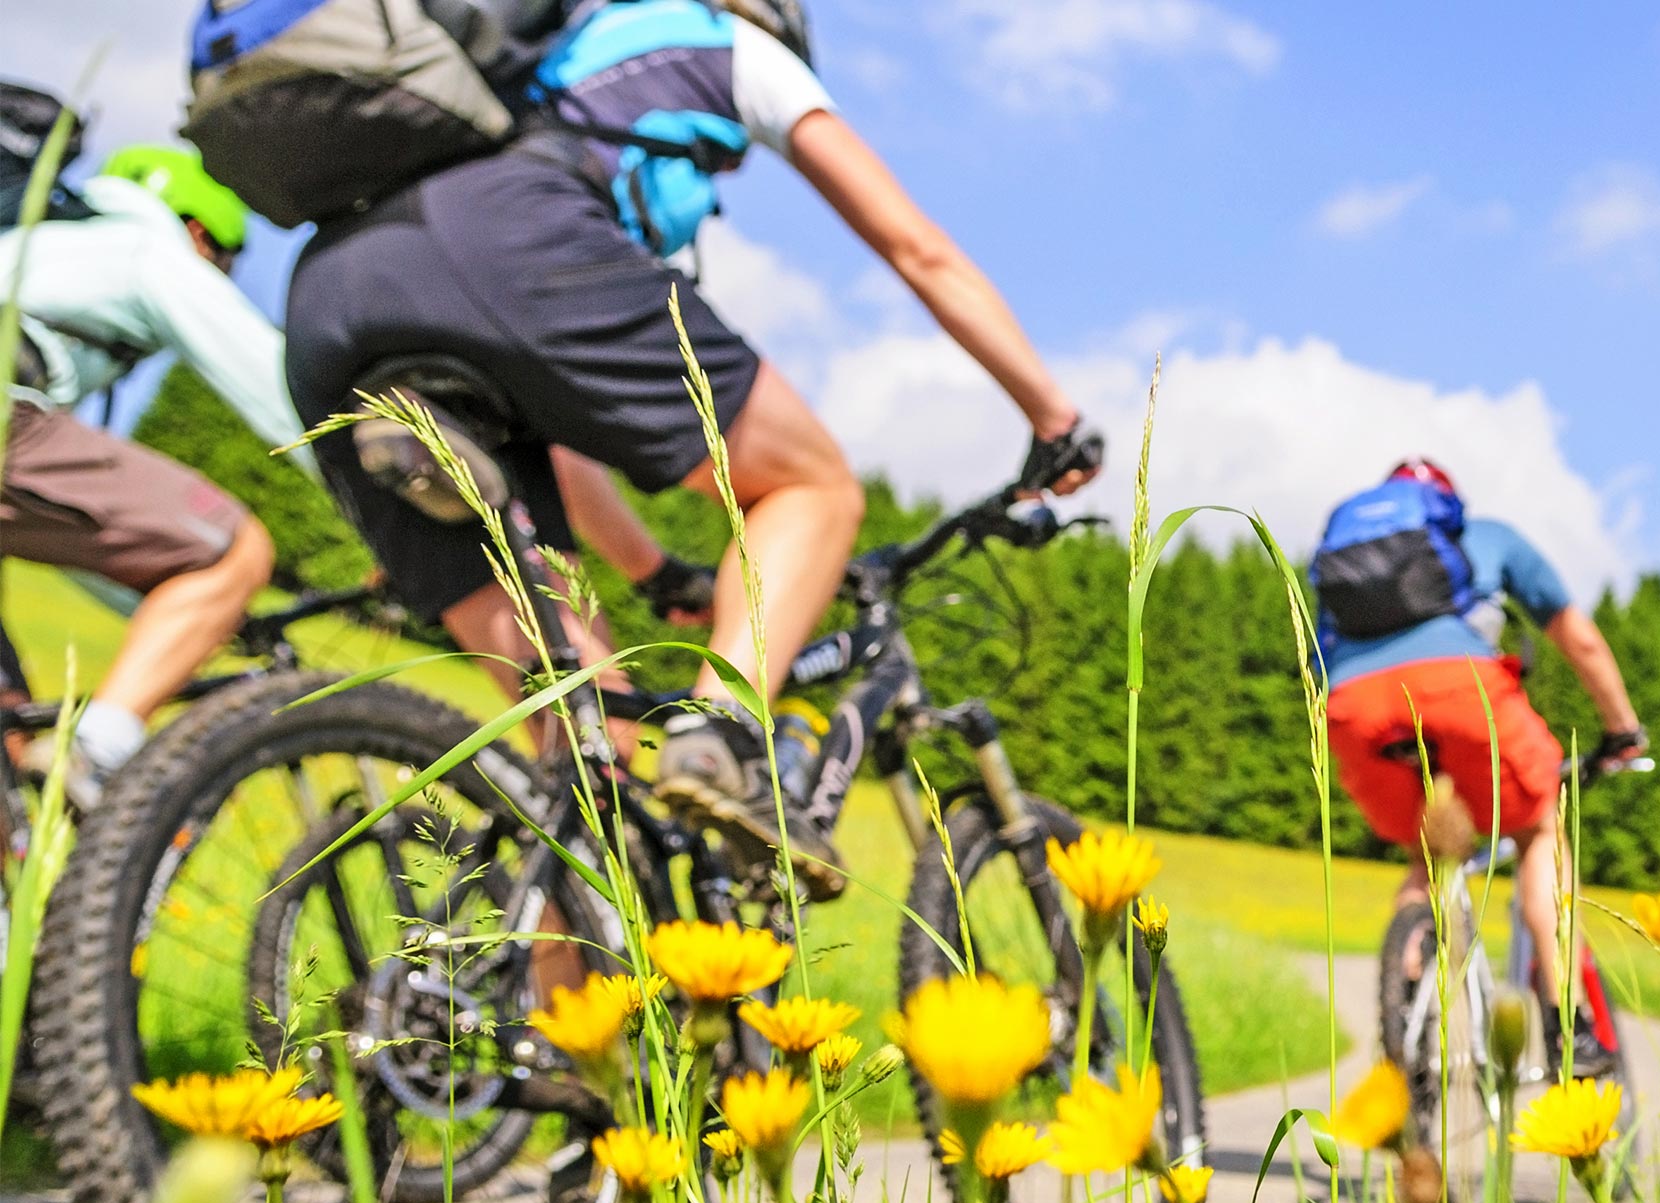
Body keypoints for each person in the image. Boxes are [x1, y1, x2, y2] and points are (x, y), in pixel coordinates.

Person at [282, 0, 1100, 897]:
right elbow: (917, 248)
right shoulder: (724, 41)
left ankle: (559, 1031)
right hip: (509, 247)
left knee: (583, 752)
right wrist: (1053, 416)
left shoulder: (528, 71)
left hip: (329, 302)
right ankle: (722, 729)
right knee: (815, 488)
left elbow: (556, 441)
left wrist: (649, 571)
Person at [1314, 459, 1647, 1076]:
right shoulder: (1485, 537)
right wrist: (1621, 729)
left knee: (1426, 857)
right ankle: (1566, 1027)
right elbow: (1581, 640)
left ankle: (1406, 1023)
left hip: (1356, 710)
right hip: (1461, 694)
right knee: (1539, 827)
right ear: (1446, 509)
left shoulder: (1349, 561)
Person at [0, 144, 284, 808]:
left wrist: (187, 613)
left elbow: (71, 527)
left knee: (7, 735)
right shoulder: (144, 250)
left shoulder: (36, 243)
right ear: (196, 232)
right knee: (237, 551)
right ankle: (96, 755)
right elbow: (282, 396)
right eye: (224, 263)